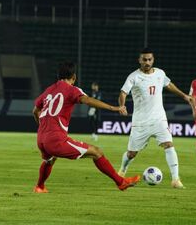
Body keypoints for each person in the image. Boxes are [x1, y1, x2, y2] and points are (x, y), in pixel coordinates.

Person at [32, 62, 140, 193]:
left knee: (50, 159)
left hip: (41, 138)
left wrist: (43, 128)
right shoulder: (72, 90)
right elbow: (87, 100)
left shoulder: (48, 90)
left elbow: (35, 111)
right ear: (74, 77)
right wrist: (113, 108)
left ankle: (40, 186)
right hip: (56, 140)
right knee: (96, 152)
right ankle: (121, 182)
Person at [117, 47, 195, 189]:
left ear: (153, 60)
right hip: (140, 122)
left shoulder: (160, 73)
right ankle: (122, 170)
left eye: (149, 59)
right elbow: (123, 93)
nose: (147, 62)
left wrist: (184, 95)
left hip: (159, 119)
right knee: (131, 153)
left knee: (169, 144)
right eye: (144, 59)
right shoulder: (134, 77)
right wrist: (122, 106)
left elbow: (168, 84)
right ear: (139, 60)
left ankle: (175, 179)